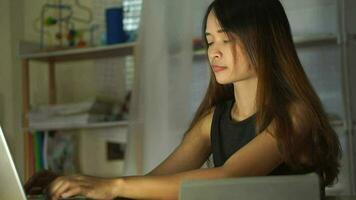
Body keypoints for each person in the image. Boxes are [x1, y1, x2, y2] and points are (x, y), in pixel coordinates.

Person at [25, 0, 341, 199]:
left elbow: (228, 178)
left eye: (227, 39)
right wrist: (80, 186)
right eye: (209, 40)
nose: (213, 52)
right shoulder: (213, 121)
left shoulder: (296, 116)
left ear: (264, 41)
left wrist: (113, 187)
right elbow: (155, 183)